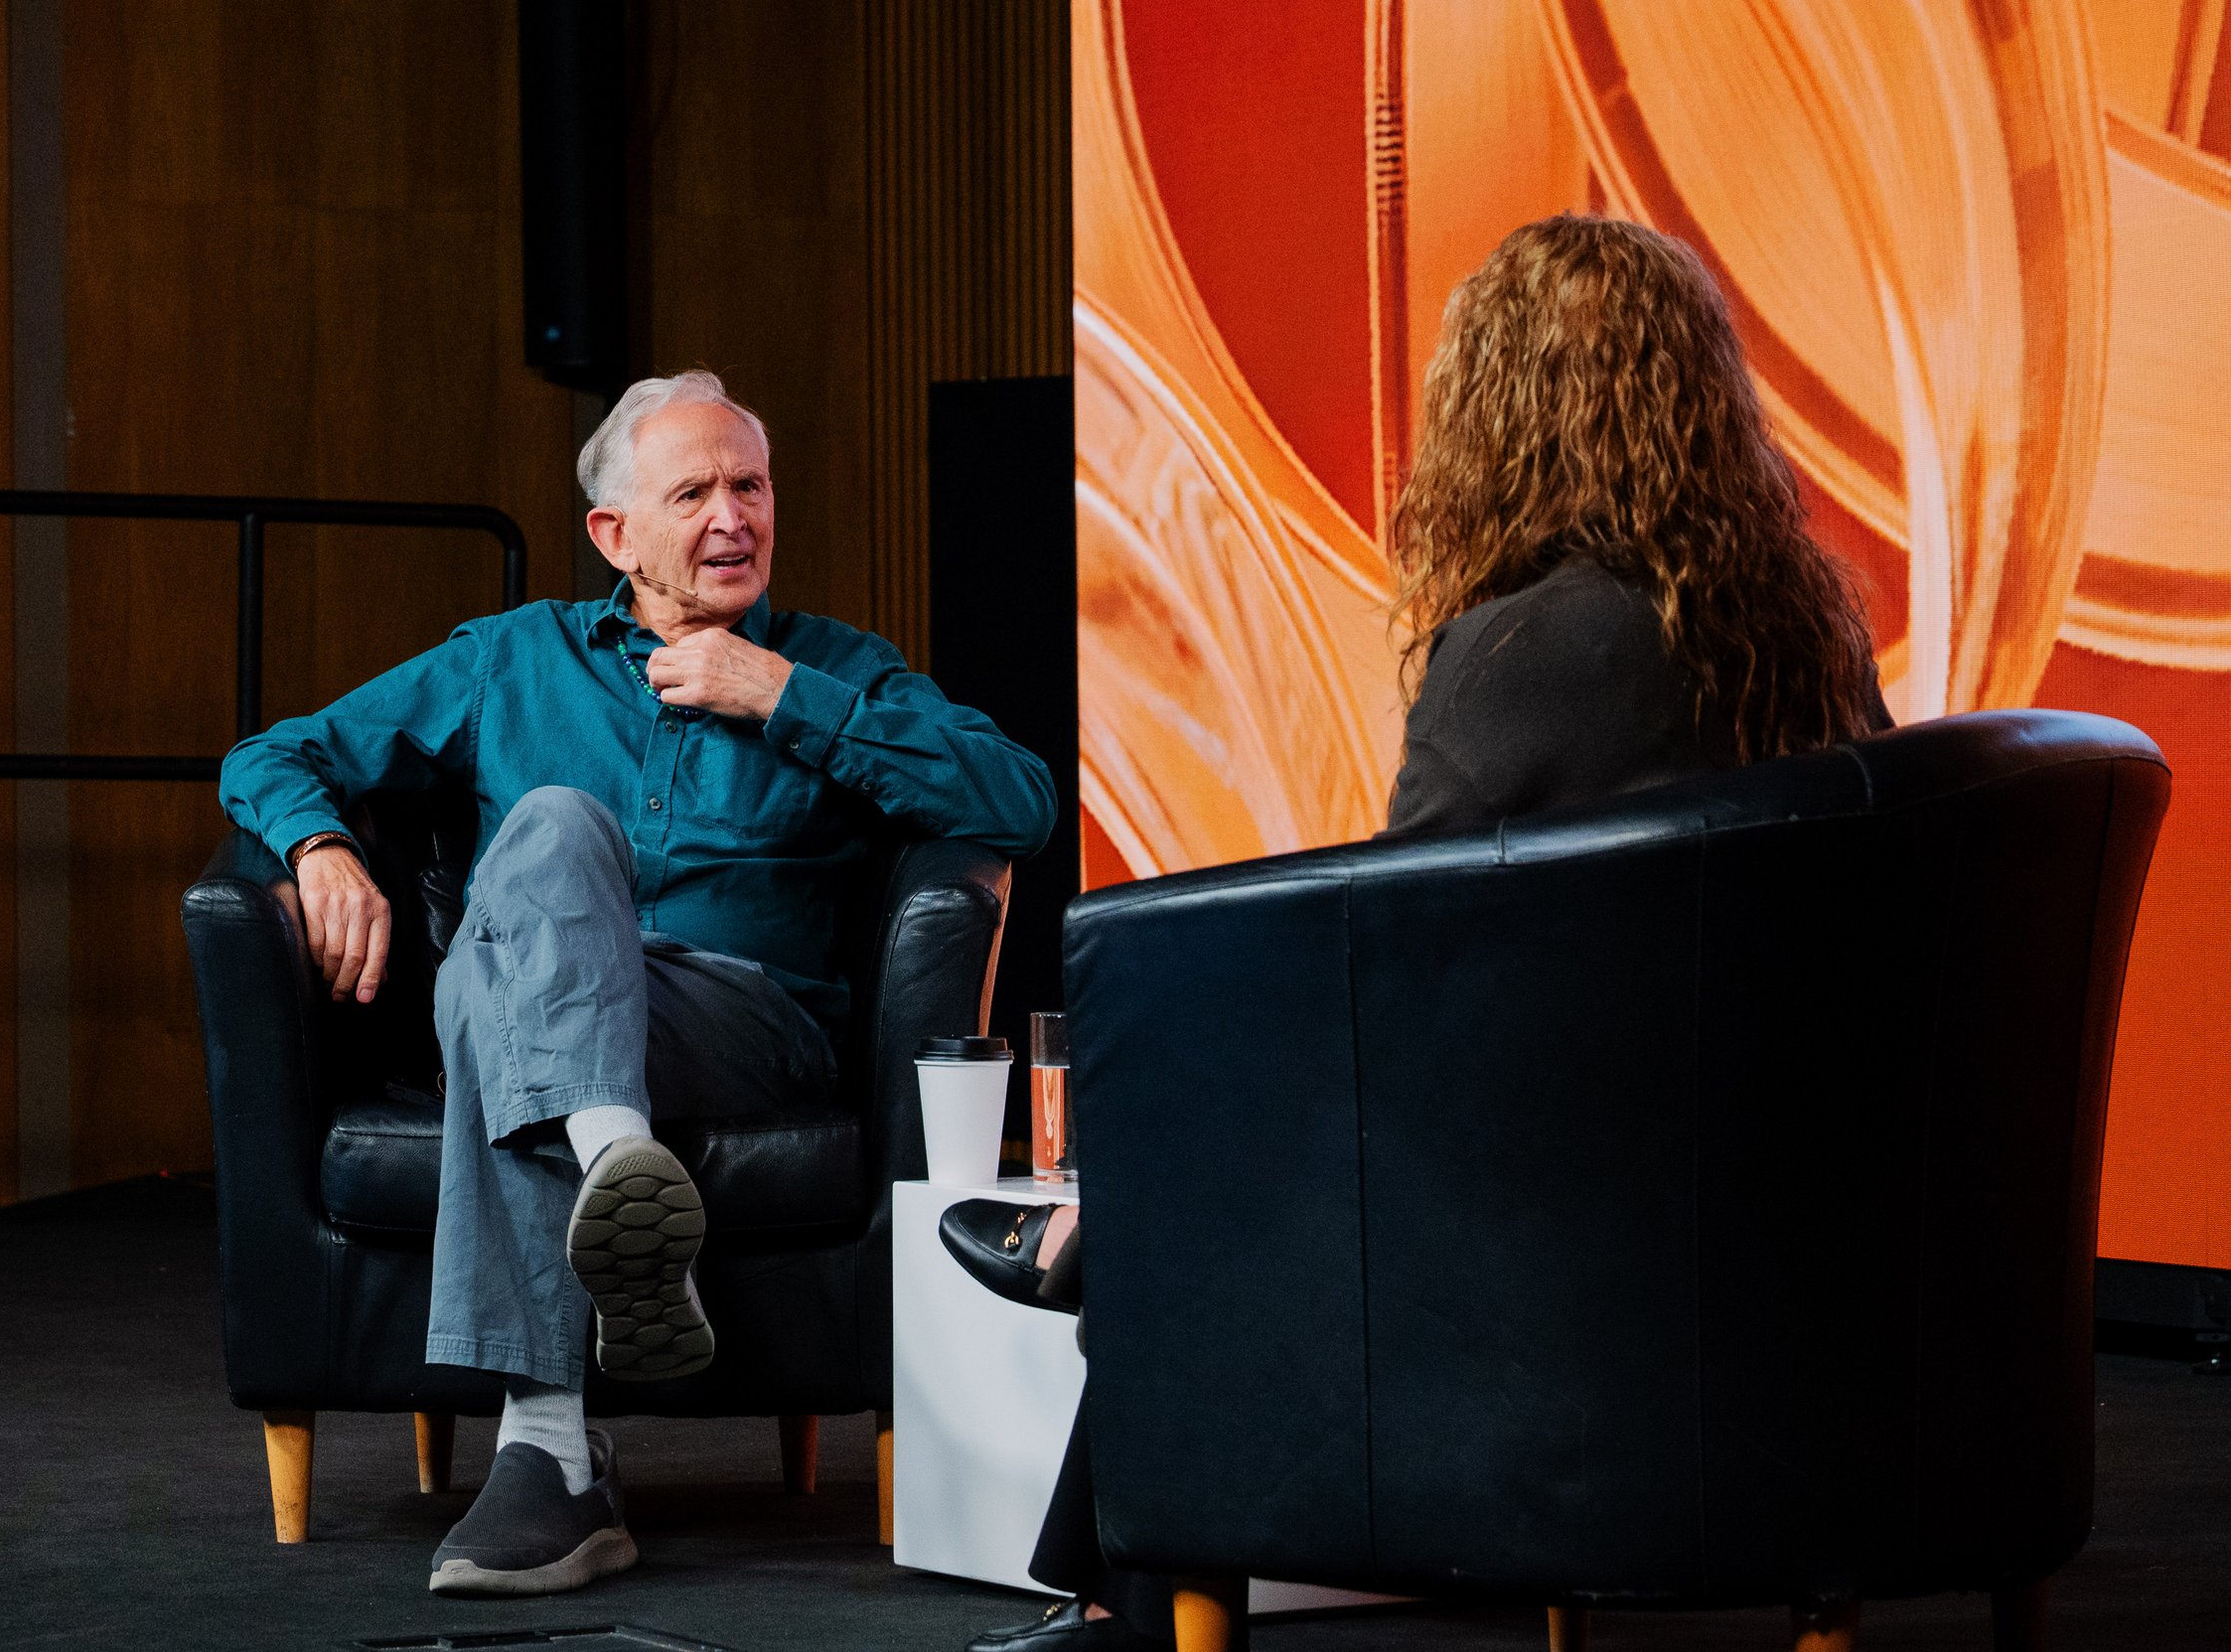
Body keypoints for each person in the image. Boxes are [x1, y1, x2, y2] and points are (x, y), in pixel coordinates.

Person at [941, 213, 1890, 1649]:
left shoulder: (1522, 648)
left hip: (1554, 1216)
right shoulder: (1799, 630)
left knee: (1217, 1095)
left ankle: (1101, 1342)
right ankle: (1101, 1370)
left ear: (1498, 416)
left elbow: (1379, 954)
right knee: (1219, 1125)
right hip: (1762, 1186)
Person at [218, 370, 1056, 1596]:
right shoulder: (513, 661)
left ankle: (548, 1455)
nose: (734, 515)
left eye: (751, 486)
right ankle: (615, 1167)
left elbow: (1019, 802)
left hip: (734, 1020)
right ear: (612, 533)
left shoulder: (836, 667)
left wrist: (786, 699)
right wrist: (320, 846)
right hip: (530, 1009)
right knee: (553, 831)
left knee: (500, 1007)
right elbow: (273, 751)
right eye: (695, 491)